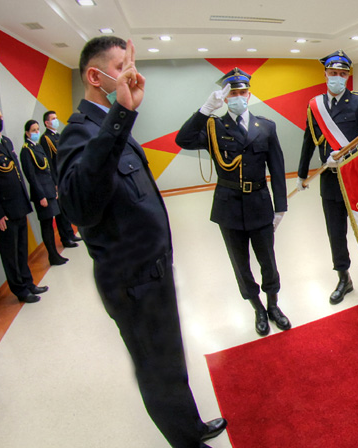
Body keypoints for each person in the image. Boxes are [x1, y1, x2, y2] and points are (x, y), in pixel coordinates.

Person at [58, 36, 226, 447]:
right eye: (121, 67)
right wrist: (121, 114)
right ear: (95, 77)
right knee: (156, 368)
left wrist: (121, 116)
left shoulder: (110, 125)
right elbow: (81, 205)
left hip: (153, 271)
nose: (132, 73)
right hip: (130, 280)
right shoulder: (80, 131)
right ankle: (187, 443)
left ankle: (190, 426)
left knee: (171, 359)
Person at [176, 67, 290, 336]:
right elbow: (183, 140)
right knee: (241, 264)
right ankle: (257, 308)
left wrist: (280, 207)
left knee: (268, 261)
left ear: (249, 94)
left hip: (260, 203)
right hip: (228, 207)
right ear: (225, 97)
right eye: (233, 93)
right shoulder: (213, 126)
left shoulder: (266, 126)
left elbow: (277, 168)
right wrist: (205, 110)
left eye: (242, 92)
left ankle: (273, 305)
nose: (238, 97)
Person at [294, 51, 358, 305]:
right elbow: (308, 140)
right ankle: (343, 278)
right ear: (325, 74)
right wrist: (301, 173)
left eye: (342, 74)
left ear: (347, 76)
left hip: (357, 178)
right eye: (333, 73)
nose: (337, 77)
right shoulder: (315, 105)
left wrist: (347, 155)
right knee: (335, 233)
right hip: (329, 180)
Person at [0, 106, 47, 304]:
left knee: (22, 250)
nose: (0, 120)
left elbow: (16, 175)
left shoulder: (6, 142)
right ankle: (20, 290)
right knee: (10, 254)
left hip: (19, 205)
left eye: (0, 116)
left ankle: (28, 283)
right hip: (4, 212)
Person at [19, 120, 68, 266]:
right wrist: (41, 195)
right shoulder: (26, 150)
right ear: (27, 133)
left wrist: (54, 186)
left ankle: (55, 254)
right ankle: (52, 256)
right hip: (41, 193)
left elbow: (48, 169)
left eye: (37, 129)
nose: (36, 132)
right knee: (46, 225)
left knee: (51, 224)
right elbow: (31, 176)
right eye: (33, 130)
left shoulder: (38, 146)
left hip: (49, 189)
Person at [41, 110, 81, 247]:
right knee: (61, 211)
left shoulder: (58, 136)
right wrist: (55, 181)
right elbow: (49, 162)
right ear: (47, 123)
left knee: (67, 208)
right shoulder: (46, 139)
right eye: (53, 118)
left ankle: (70, 233)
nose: (56, 120)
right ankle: (65, 238)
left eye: (56, 118)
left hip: (64, 176)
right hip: (57, 178)